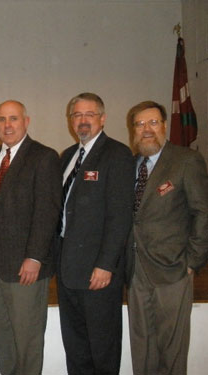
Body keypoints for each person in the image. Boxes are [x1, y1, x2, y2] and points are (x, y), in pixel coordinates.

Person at [0, 100, 62, 375]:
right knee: (3, 332)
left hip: (27, 263)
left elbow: (48, 211)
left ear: (26, 121)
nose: (7, 125)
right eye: (1, 119)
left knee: (27, 336)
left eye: (13, 119)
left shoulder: (44, 157)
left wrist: (34, 257)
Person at [126, 100, 208, 375]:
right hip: (136, 270)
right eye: (139, 124)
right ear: (133, 130)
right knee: (142, 345)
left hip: (173, 269)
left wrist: (192, 261)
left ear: (164, 126)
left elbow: (203, 213)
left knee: (172, 350)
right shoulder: (130, 164)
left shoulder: (186, 160)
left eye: (152, 123)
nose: (146, 129)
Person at [55, 92, 135, 374]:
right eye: (77, 115)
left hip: (98, 273)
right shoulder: (67, 156)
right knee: (75, 346)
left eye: (89, 114)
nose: (82, 120)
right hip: (68, 270)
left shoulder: (117, 154)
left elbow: (120, 216)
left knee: (102, 346)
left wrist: (105, 265)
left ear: (102, 118)